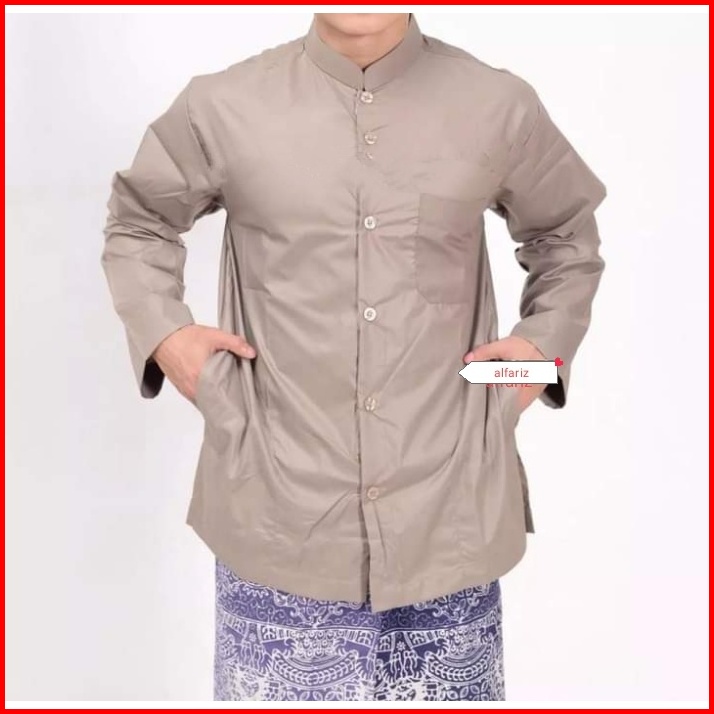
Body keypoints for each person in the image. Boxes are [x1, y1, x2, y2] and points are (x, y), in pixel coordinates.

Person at [101, 12, 606, 701]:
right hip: (277, 507)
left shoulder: (496, 104)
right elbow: (139, 221)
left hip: (449, 508)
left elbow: (567, 235)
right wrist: (169, 338)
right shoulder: (222, 105)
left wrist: (532, 362)